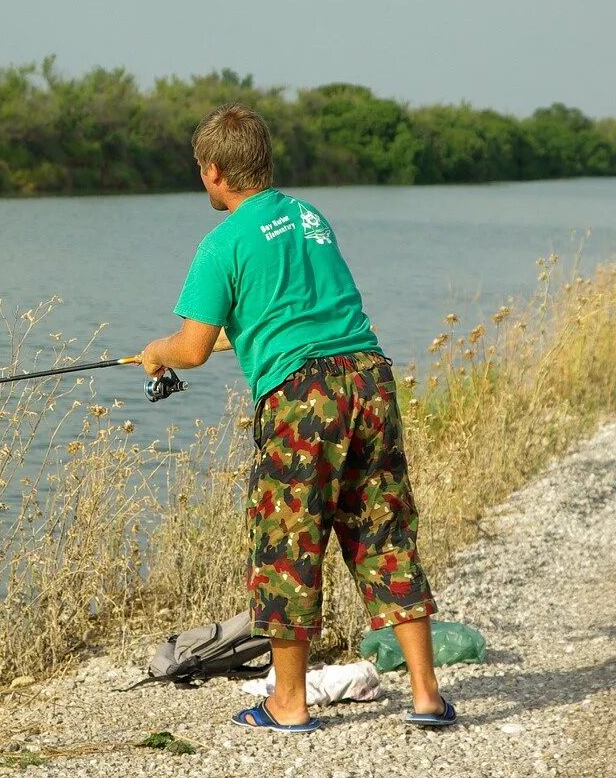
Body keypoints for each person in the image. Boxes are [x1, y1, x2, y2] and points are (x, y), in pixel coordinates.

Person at [138, 103, 454, 732]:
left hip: (302, 398)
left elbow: (193, 348)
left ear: (216, 171)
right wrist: (245, 336)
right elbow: (297, 311)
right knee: (384, 534)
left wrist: (154, 353)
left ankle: (288, 703)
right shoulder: (310, 217)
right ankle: (426, 696)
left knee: (288, 543)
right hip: (369, 378)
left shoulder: (222, 241)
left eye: (202, 170)